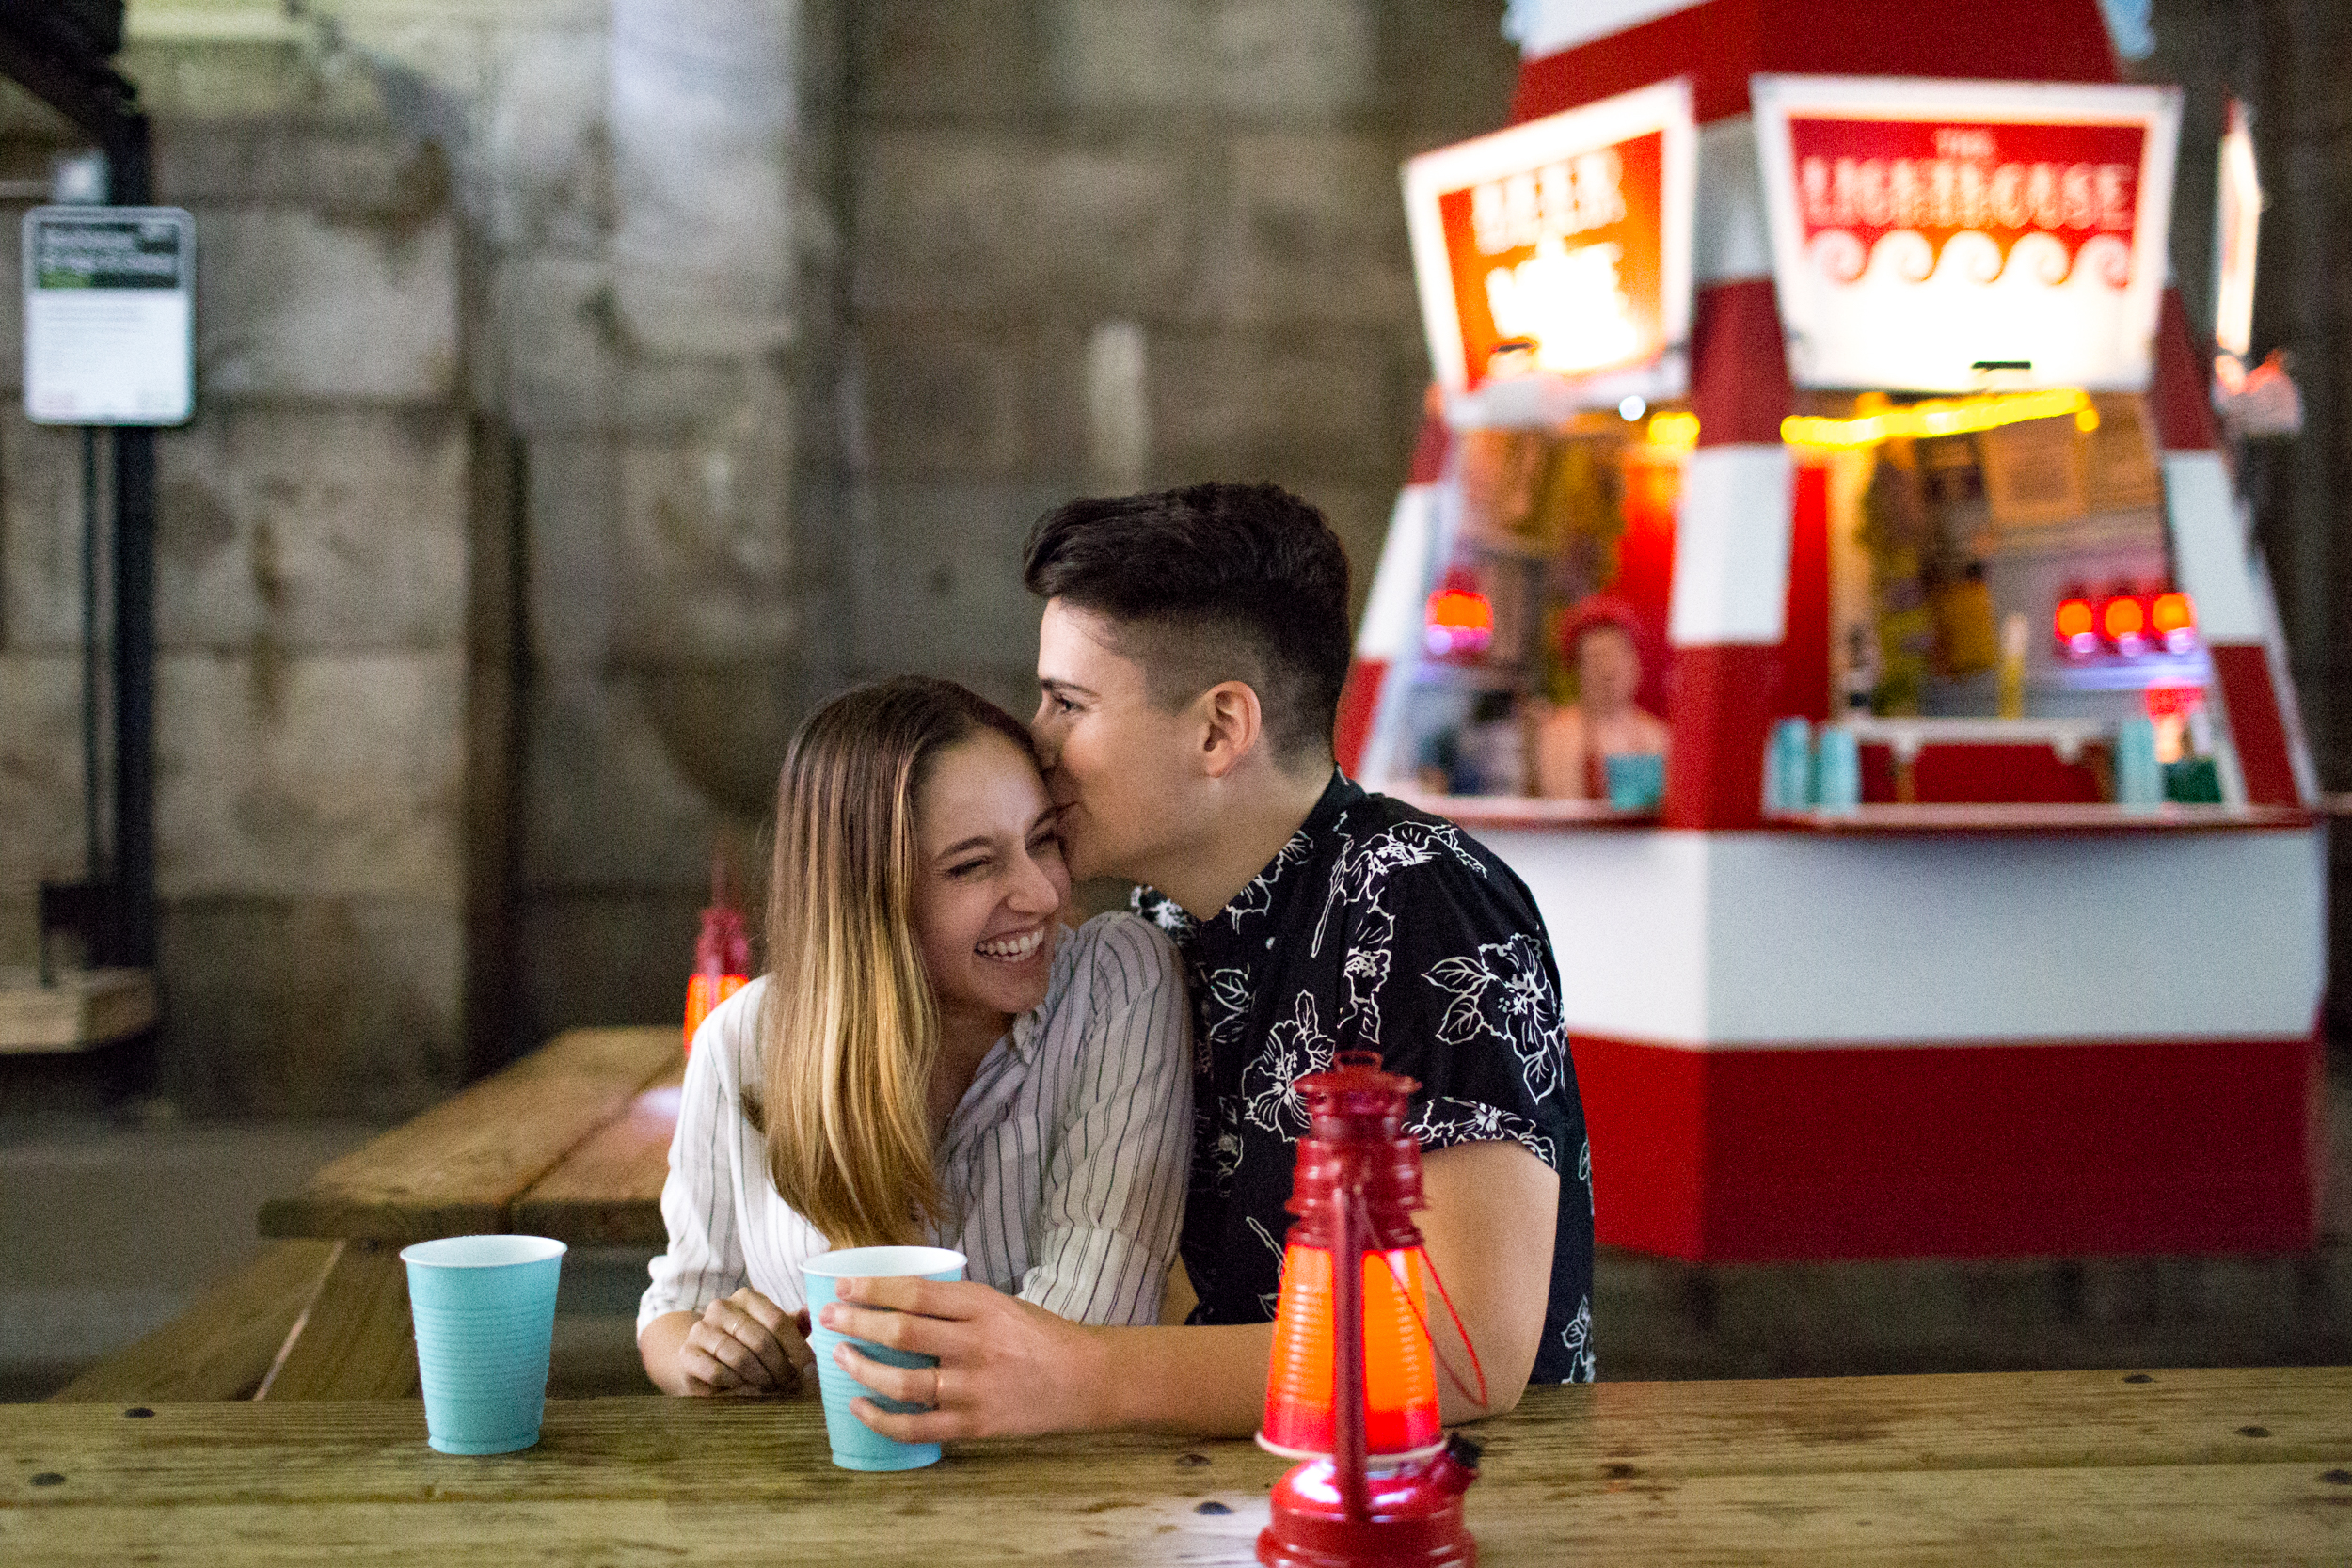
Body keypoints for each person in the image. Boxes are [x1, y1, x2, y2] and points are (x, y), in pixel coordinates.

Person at [818, 482, 1596, 1441]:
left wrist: (1084, 1373)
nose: (1036, 741)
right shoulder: (1160, 923)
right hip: (1228, 1500)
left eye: (1069, 702)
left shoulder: (1423, 900)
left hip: (1446, 1507)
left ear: (1220, 729)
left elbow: (1463, 1348)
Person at [637, 676, 1192, 1397]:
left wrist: (847, 1368)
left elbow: (1089, 1322)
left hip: (1052, 1496)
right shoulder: (741, 1041)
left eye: (1041, 840)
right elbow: (677, 1306)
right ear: (865, 897)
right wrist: (710, 1352)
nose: (1045, 894)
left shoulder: (1115, 979)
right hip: (818, 1494)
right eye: (973, 865)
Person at [1532, 597, 1669, 801]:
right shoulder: (1559, 735)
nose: (1609, 670)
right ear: (1578, 669)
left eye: (1618, 655)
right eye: (1597, 657)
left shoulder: (1657, 737)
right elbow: (1564, 810)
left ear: (1636, 664)